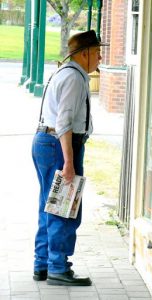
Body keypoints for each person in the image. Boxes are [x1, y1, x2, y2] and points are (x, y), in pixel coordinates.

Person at [32, 30, 108, 286]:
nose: (100, 56)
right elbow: (64, 122)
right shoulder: (74, 78)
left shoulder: (66, 73)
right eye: (97, 52)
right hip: (60, 144)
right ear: (84, 53)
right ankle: (58, 267)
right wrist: (68, 161)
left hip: (47, 141)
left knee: (49, 204)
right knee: (64, 208)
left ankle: (42, 263)